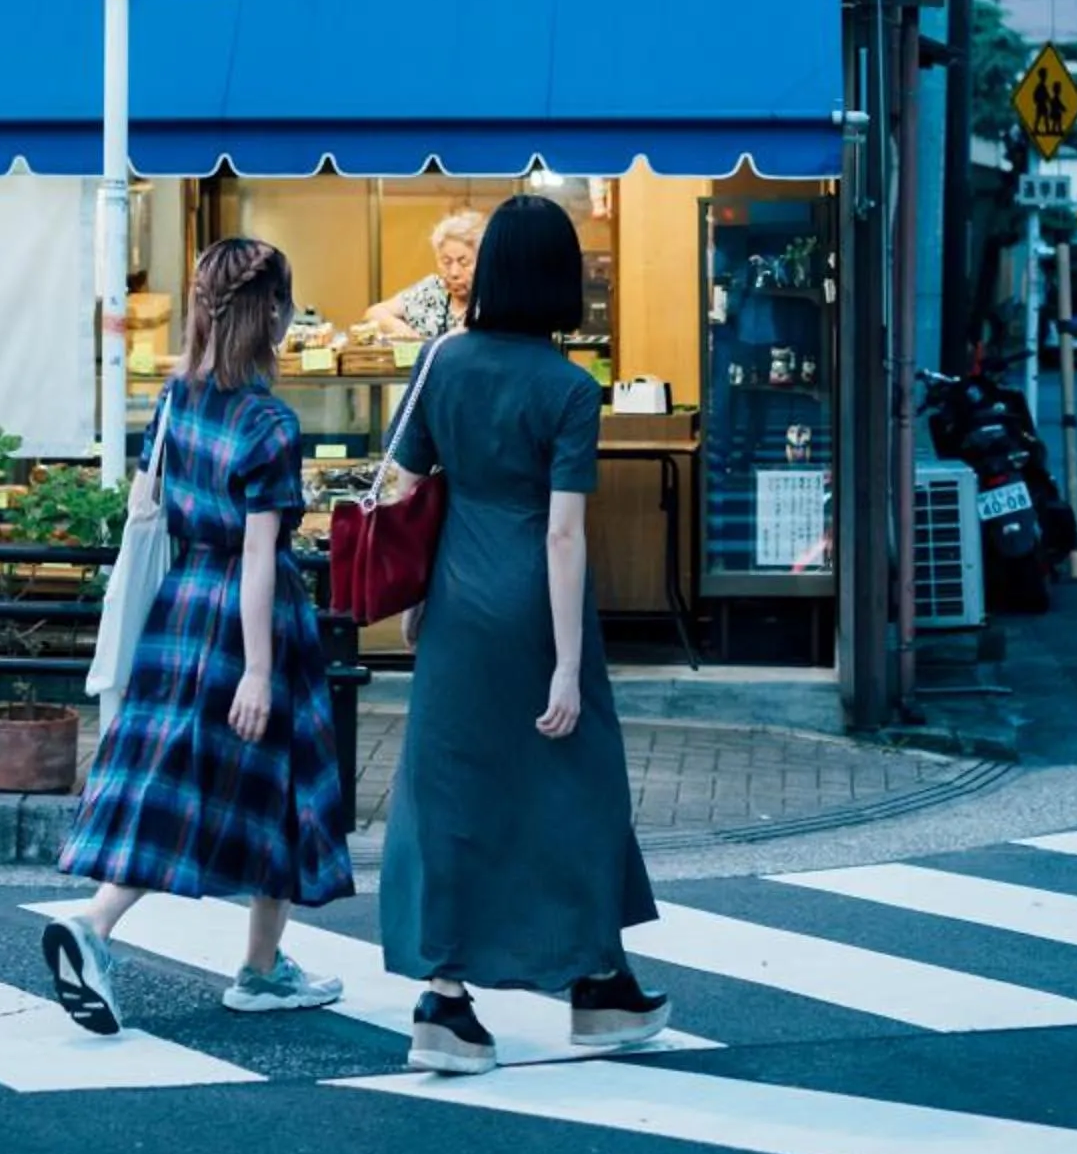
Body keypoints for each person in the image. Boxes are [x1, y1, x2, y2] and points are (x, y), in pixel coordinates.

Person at [374, 194, 668, 1075]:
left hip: (458, 605)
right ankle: (596, 986)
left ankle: (444, 1006)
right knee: (577, 794)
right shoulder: (570, 389)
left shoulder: (441, 362)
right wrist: (570, 667)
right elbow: (564, 533)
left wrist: (415, 599)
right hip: (539, 612)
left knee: (450, 795)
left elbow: (400, 485)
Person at [42, 238, 353, 1035]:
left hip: (180, 610)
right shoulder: (268, 422)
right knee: (274, 786)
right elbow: (258, 557)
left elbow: (146, 506)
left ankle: (142, 935)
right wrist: (257, 669)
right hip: (251, 619)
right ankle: (236, 963)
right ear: (273, 312)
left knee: (174, 777)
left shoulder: (175, 401)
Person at [362, 211, 485, 342]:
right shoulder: (431, 290)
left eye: (464, 262)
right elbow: (374, 313)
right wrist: (403, 330)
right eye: (446, 262)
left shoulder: (492, 298)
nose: (454, 273)